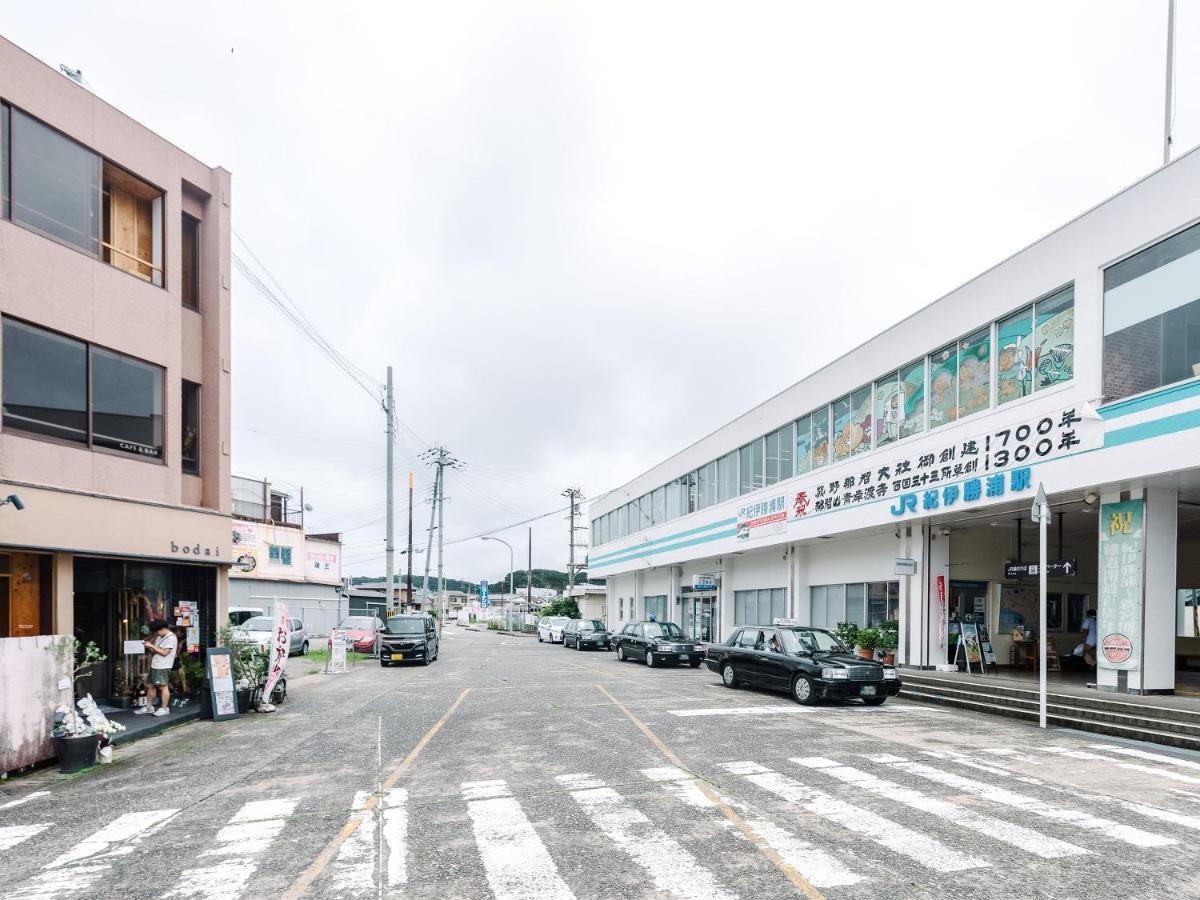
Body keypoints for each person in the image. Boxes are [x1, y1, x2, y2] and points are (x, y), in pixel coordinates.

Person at [137, 620, 177, 717]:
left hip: (163, 666)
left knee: (163, 687)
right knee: (150, 685)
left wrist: (151, 646)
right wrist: (149, 646)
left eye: (157, 631)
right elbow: (156, 651)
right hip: (155, 665)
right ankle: (149, 707)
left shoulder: (171, 638)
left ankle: (164, 708)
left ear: (163, 629)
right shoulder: (160, 636)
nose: (156, 633)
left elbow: (164, 653)